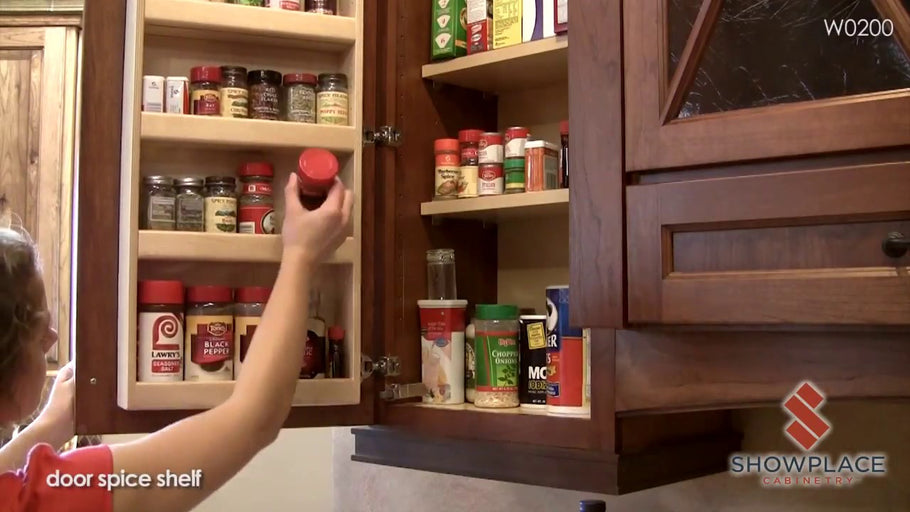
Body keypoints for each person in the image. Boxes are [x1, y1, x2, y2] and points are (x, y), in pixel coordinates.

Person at [0, 175, 354, 512]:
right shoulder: (62, 493)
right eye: (40, 328)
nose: (52, 339)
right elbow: (254, 420)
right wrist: (301, 255)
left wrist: (47, 429)